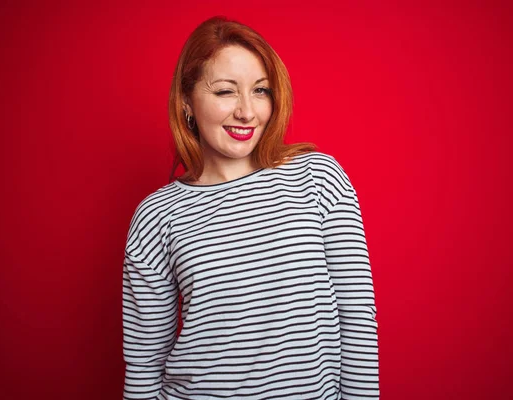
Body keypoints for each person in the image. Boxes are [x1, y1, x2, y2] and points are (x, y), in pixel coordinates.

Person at [122, 16, 379, 400]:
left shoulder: (318, 178)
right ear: (187, 102)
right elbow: (144, 363)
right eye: (226, 91)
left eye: (260, 91)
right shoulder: (157, 216)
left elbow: (357, 322)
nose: (247, 111)